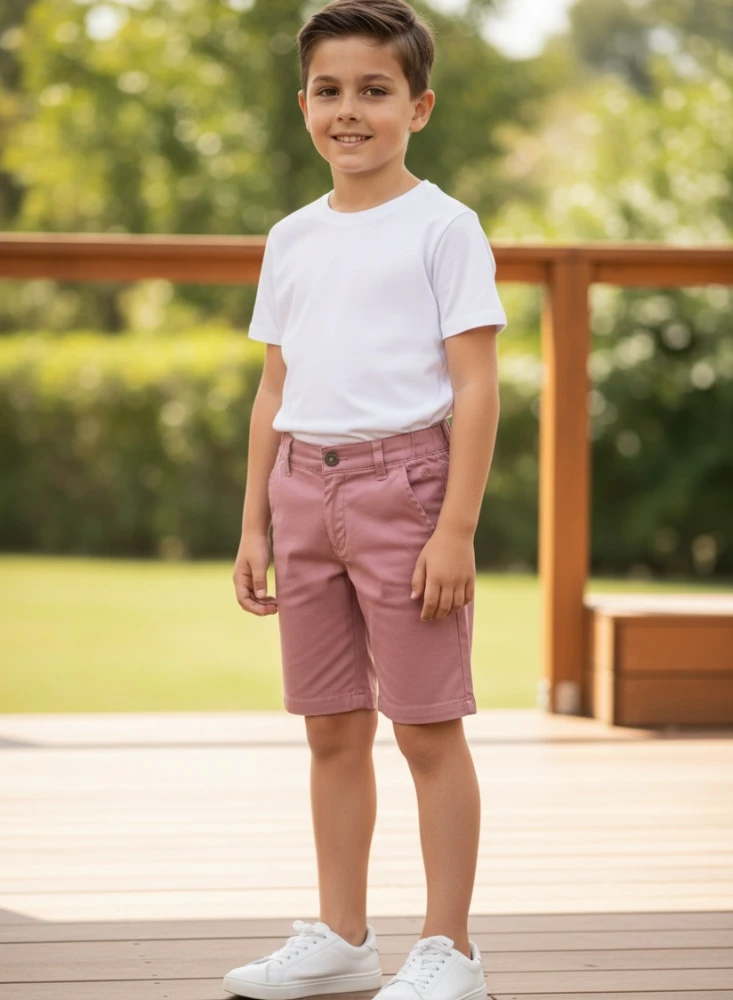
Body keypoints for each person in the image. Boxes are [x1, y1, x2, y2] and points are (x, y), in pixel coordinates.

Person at [225, 1, 506, 998]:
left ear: (417, 107)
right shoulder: (289, 237)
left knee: (426, 726)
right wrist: (254, 520)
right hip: (302, 491)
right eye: (330, 91)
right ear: (303, 104)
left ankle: (450, 948)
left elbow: (475, 384)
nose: (349, 111)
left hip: (407, 491)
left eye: (374, 91)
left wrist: (454, 530)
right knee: (330, 726)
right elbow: (274, 387)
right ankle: (342, 936)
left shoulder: (444, 227)